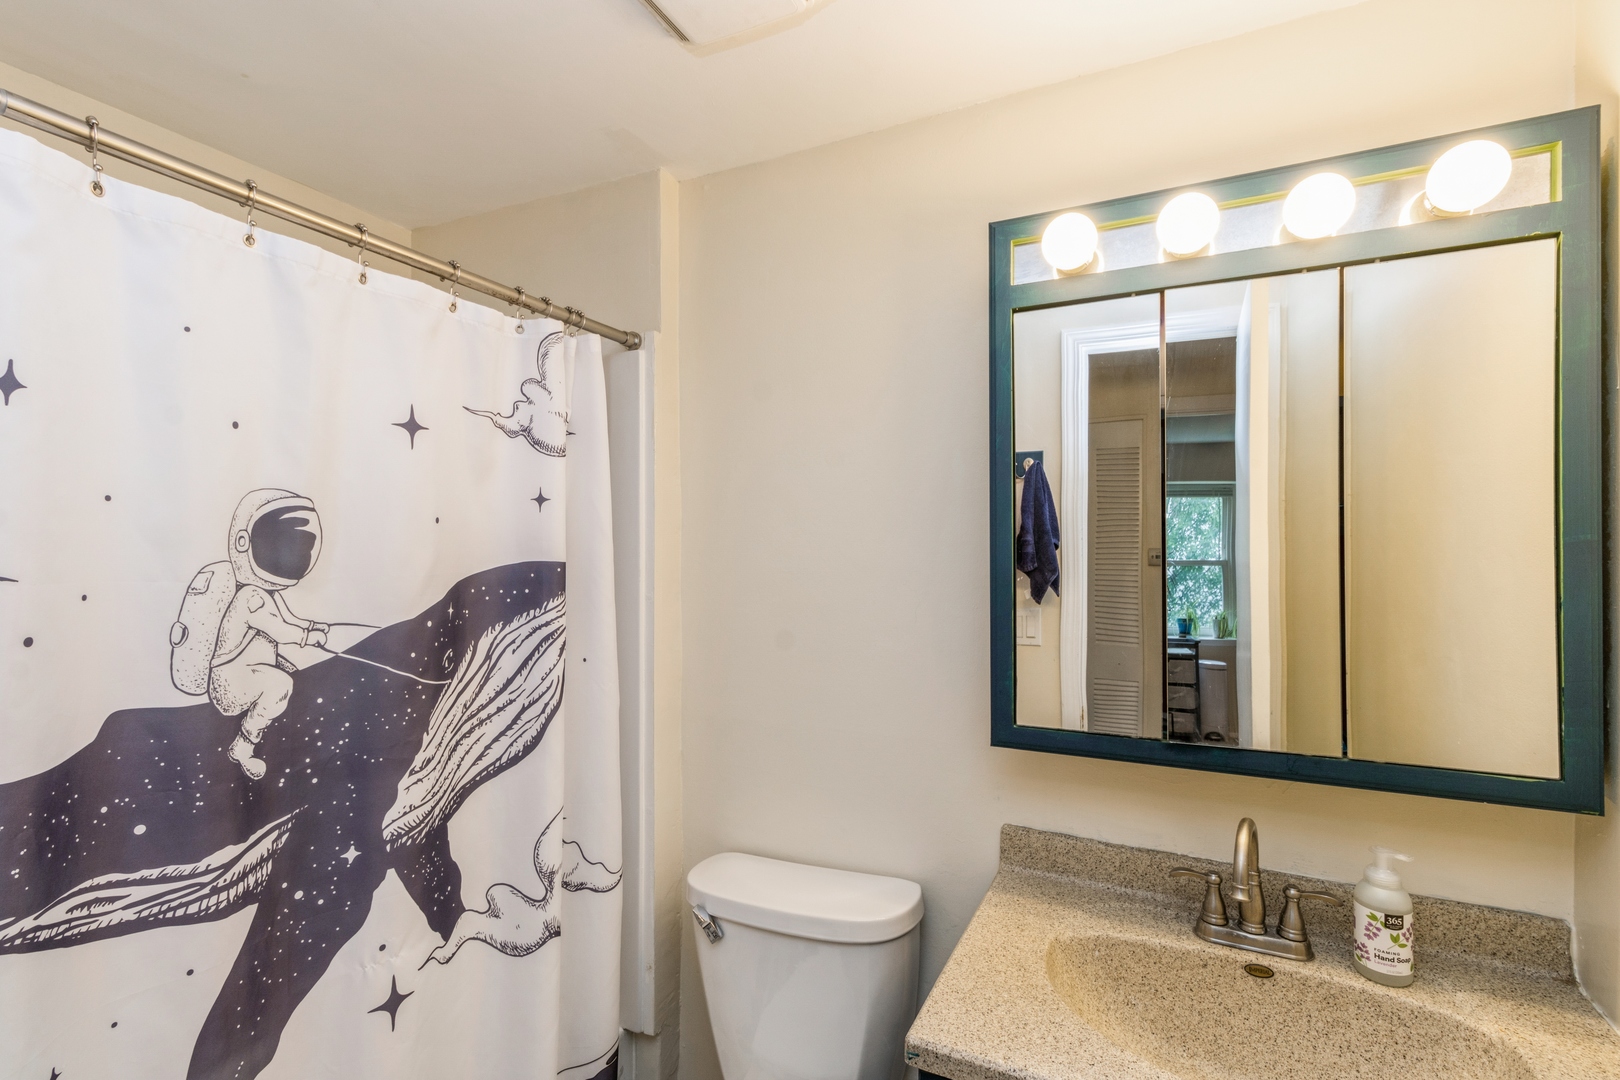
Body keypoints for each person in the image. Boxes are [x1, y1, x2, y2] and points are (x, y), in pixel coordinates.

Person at [208, 489, 329, 779]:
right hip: (230, 682)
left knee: (292, 679)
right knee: (281, 685)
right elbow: (279, 629)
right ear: (244, 542)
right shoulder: (251, 597)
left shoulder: (266, 593)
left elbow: (288, 619)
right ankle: (243, 747)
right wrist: (306, 637)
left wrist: (310, 626)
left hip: (248, 669)